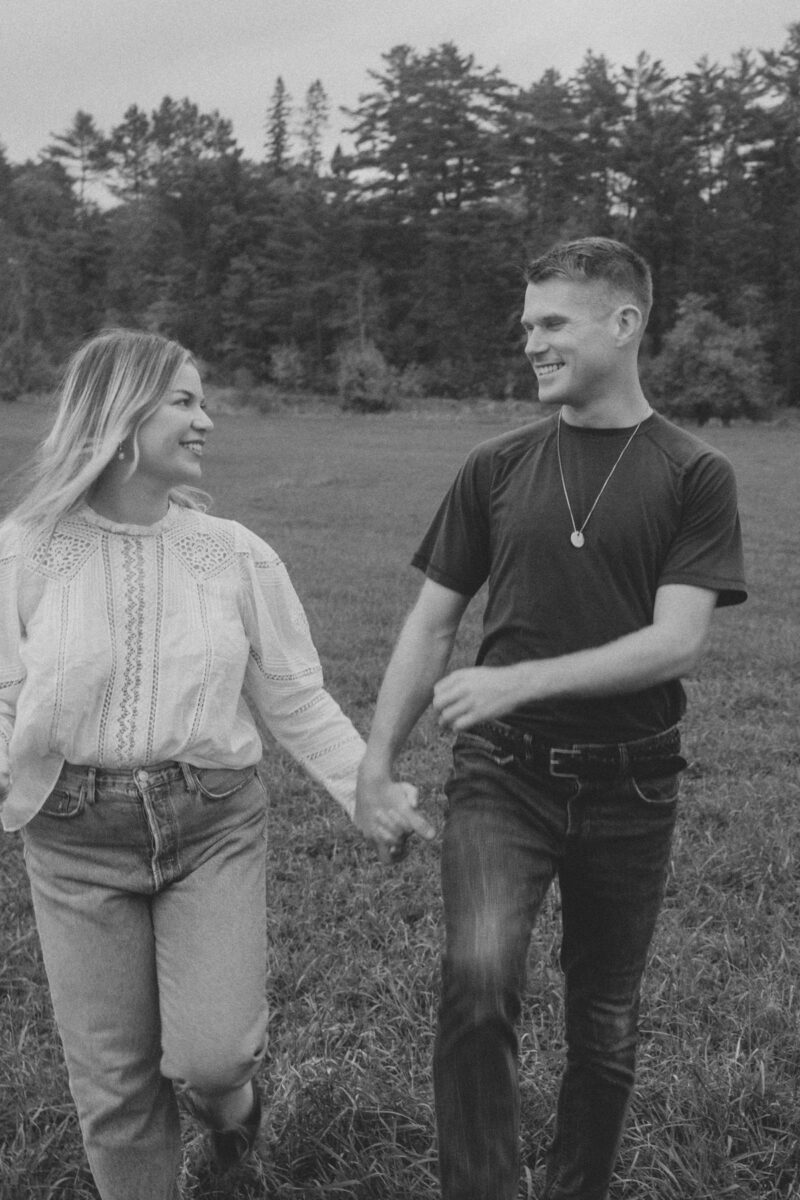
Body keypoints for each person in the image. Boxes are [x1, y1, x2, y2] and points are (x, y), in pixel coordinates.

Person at [355, 237, 747, 1200]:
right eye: (527, 323)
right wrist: (376, 761)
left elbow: (677, 642)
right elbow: (433, 621)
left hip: (634, 784)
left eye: (553, 322)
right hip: (504, 774)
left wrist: (521, 680)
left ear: (624, 323)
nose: (530, 341)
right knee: (478, 986)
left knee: (605, 1023)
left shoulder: (696, 473)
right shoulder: (497, 464)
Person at [0, 328, 416, 1200]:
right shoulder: (23, 552)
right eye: (185, 401)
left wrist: (365, 792)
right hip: (75, 839)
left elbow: (296, 697)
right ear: (119, 419)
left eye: (203, 400)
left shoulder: (233, 554)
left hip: (212, 823)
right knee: (114, 1087)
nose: (208, 421)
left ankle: (233, 1112)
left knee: (211, 1054)